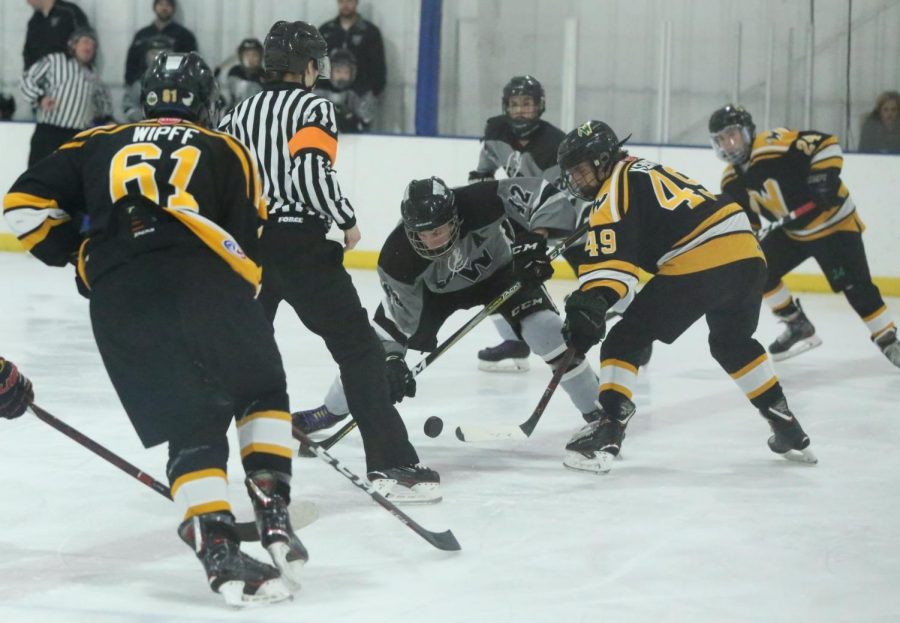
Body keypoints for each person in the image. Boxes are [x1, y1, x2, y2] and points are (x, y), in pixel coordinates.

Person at [3, 51, 307, 607]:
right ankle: (271, 500)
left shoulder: (96, 140)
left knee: (190, 423)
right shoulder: (225, 147)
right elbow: (250, 242)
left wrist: (84, 256)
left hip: (119, 293)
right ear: (204, 100)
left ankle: (213, 538)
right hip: (203, 277)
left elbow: (21, 208)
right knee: (259, 391)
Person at [218, 21, 438, 503]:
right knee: (359, 351)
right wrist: (346, 219)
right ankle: (392, 464)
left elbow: (220, 184)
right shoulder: (314, 106)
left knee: (243, 356)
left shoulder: (236, 116)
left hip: (246, 250)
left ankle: (204, 467)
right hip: (301, 245)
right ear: (310, 67)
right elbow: (311, 172)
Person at [557, 120, 817, 474]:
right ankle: (786, 425)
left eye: (582, 170)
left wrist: (592, 302)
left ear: (602, 160)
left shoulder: (614, 187)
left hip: (703, 257)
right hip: (748, 253)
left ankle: (608, 432)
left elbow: (612, 267)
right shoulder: (643, 169)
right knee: (733, 343)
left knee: (625, 340)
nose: (577, 180)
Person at [301, 177, 604, 463]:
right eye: (422, 233)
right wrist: (393, 361)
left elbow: (544, 195)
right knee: (375, 353)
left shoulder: (479, 200)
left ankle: (600, 414)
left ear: (454, 217)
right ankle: (330, 410)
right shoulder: (398, 257)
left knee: (546, 331)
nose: (431, 241)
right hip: (434, 295)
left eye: (438, 231)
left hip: (501, 274)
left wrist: (534, 242)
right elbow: (395, 323)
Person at [709, 104, 900, 367]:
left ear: (747, 131)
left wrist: (823, 176)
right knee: (756, 267)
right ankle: (796, 324)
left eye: (732, 135)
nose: (727, 144)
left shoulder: (772, 145)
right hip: (794, 232)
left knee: (855, 286)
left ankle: (888, 338)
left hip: (833, 224)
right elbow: (749, 228)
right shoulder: (731, 180)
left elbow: (826, 144)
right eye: (720, 139)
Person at [469, 75, 569, 372]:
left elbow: (557, 199)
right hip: (521, 216)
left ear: (540, 106)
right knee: (485, 268)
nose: (521, 110)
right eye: (515, 104)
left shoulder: (556, 144)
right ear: (506, 107)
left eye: (527, 104)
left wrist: (536, 234)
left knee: (599, 272)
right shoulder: (496, 129)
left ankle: (635, 335)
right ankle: (515, 339)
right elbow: (484, 172)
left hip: (567, 217)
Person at [20, 27, 113, 166]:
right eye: (86, 42)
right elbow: (28, 79)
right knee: (38, 177)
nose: (90, 47)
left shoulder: (93, 73)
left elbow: (101, 101)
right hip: (49, 132)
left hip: (77, 137)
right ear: (73, 44)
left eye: (93, 45)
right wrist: (40, 98)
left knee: (69, 183)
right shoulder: (55, 60)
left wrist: (108, 119)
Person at [319, 0, 386, 100]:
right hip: (328, 95)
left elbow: (378, 68)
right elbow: (316, 64)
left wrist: (373, 93)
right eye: (342, 1)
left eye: (349, 1)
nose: (345, 5)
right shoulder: (325, 31)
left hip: (360, 97)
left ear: (356, 2)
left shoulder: (370, 32)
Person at [124, 0, 197, 87]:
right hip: (144, 86)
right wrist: (132, 82)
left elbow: (192, 64)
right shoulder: (142, 35)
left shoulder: (185, 36)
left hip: (175, 87)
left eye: (168, 5)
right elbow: (131, 63)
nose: (164, 8)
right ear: (155, 7)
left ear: (173, 8)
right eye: (161, 4)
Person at [314, 48, 374, 133]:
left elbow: (365, 121)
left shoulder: (359, 93)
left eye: (346, 72)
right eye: (338, 71)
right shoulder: (319, 89)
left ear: (352, 73)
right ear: (330, 72)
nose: (342, 76)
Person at [23, 0, 89, 71]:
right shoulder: (34, 22)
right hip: (41, 76)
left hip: (69, 73)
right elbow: (28, 54)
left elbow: (86, 43)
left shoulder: (70, 12)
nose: (28, 2)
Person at [122, 34, 174, 122]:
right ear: (146, 57)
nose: (158, 57)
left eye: (164, 53)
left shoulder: (180, 82)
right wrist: (145, 118)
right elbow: (128, 107)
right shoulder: (139, 84)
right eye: (154, 53)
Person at [222, 38, 264, 107]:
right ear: (241, 57)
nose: (251, 59)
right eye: (247, 55)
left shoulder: (264, 75)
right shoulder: (234, 72)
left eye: (254, 55)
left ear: (260, 57)